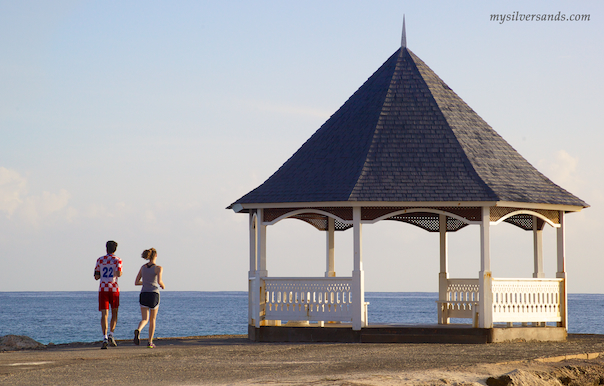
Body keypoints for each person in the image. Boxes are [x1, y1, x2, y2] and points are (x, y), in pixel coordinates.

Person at [134, 248, 165, 348]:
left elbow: (136, 282)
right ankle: (150, 342)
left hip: (144, 294)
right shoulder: (158, 268)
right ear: (156, 256)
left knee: (144, 319)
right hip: (153, 294)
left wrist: (145, 282)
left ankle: (139, 329)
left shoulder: (143, 267)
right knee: (153, 319)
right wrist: (162, 285)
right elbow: (159, 281)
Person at [94, 240, 123, 349]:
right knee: (114, 312)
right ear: (115, 249)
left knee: (104, 314)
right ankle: (111, 334)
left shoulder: (100, 260)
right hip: (114, 289)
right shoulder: (117, 260)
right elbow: (119, 274)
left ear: (106, 248)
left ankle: (104, 337)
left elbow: (96, 276)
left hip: (103, 289)